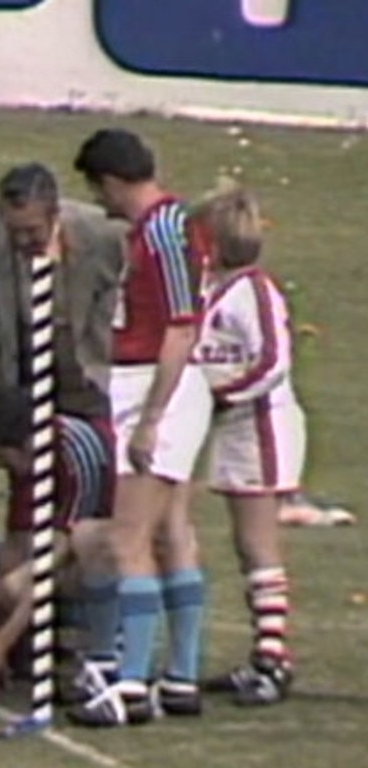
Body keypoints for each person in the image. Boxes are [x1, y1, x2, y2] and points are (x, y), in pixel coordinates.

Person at [69, 129, 212, 726]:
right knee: (171, 529)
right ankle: (179, 674)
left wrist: (152, 417)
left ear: (111, 180)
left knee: (128, 536)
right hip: (162, 381)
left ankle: (130, 686)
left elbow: (182, 326)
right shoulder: (169, 225)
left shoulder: (162, 230)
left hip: (159, 382)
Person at [0, 163, 123, 691]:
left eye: (33, 233)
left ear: (55, 216)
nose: (23, 242)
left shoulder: (103, 234)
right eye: (16, 233)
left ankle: (87, 633)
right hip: (25, 386)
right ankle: (40, 632)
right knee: (26, 520)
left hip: (85, 387)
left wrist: (105, 361)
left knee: (82, 526)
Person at [189, 186, 304, 705]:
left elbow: (271, 362)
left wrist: (220, 393)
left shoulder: (255, 292)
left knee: (258, 544)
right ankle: (264, 654)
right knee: (244, 544)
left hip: (259, 426)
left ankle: (274, 660)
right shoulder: (213, 288)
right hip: (232, 426)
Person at [0, 385, 117, 699]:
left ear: (25, 444)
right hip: (68, 547)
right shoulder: (28, 466)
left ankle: (98, 651)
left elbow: (61, 550)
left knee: (25, 581)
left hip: (112, 551)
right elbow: (15, 544)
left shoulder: (77, 452)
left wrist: (0, 641)